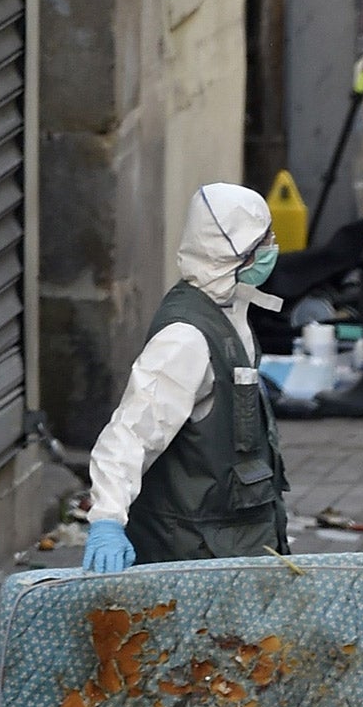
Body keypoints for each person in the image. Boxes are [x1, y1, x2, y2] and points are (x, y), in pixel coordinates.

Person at [82, 186, 289, 572]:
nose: (273, 248)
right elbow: (131, 432)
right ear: (237, 252)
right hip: (192, 556)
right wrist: (107, 519)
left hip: (234, 551)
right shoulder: (187, 339)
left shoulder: (228, 310)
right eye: (265, 240)